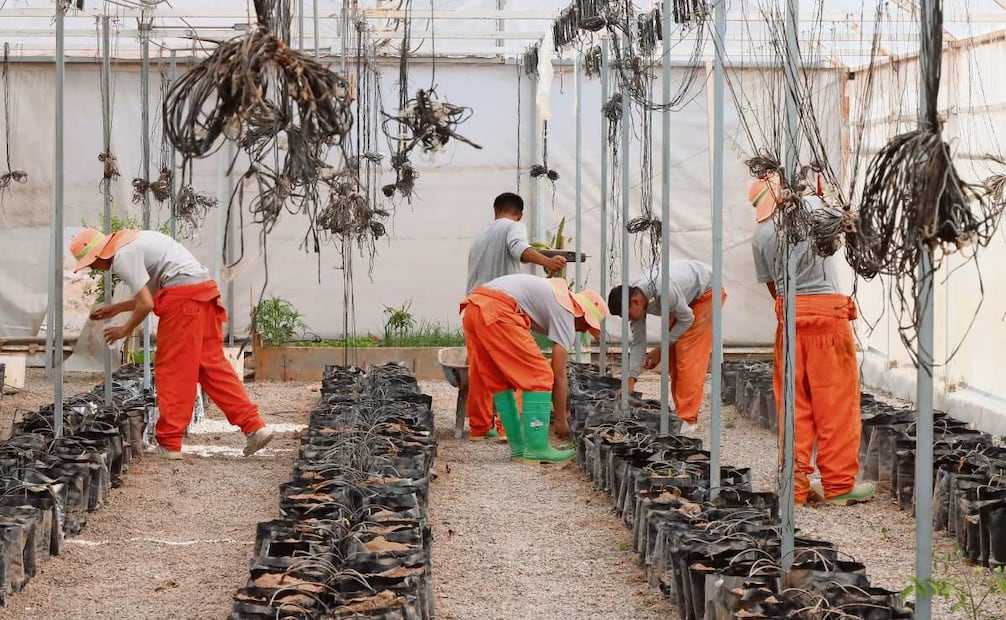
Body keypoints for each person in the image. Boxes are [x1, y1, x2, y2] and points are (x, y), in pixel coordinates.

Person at [69, 227, 274, 460]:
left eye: (90, 264)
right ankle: (254, 427)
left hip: (184, 303)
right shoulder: (132, 240)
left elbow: (146, 304)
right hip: (204, 294)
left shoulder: (122, 257)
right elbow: (154, 295)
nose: (93, 269)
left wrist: (124, 329)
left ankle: (170, 443)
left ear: (98, 256)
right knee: (212, 367)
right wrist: (117, 308)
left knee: (173, 371)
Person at [748, 173, 875, 506]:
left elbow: (773, 286)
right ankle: (838, 486)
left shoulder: (760, 234)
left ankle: (797, 486)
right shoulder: (814, 208)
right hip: (827, 319)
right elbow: (848, 221)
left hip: (790, 320)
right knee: (835, 405)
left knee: (793, 405)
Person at [461, 274, 607, 464]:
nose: (582, 331)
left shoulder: (554, 297)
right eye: (586, 326)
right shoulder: (567, 312)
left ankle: (519, 448)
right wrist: (561, 419)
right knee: (540, 374)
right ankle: (536, 447)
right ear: (582, 314)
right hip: (497, 310)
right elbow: (559, 374)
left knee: (499, 379)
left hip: (475, 307)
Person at [464, 192, 567, 441]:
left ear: (495, 210)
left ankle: (479, 427)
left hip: (472, 306)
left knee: (481, 370)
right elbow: (519, 248)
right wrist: (547, 261)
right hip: (498, 310)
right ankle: (509, 429)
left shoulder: (480, 236)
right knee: (522, 368)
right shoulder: (514, 226)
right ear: (519, 214)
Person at [607, 261, 726, 435]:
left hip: (708, 292)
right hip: (686, 300)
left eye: (626, 315)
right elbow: (639, 342)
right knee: (673, 354)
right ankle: (681, 413)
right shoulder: (638, 297)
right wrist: (630, 379)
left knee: (686, 352)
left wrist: (660, 348)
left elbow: (687, 319)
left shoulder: (664, 291)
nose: (626, 319)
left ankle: (688, 419)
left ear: (635, 302)